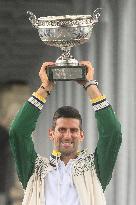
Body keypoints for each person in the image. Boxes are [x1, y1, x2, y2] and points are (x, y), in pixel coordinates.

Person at [9, 61, 122, 205]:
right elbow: (18, 131)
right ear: (51, 134)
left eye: (73, 130)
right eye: (61, 130)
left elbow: (113, 132)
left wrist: (89, 84)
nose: (67, 136)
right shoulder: (34, 169)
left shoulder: (95, 169)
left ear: (81, 135)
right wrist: (44, 89)